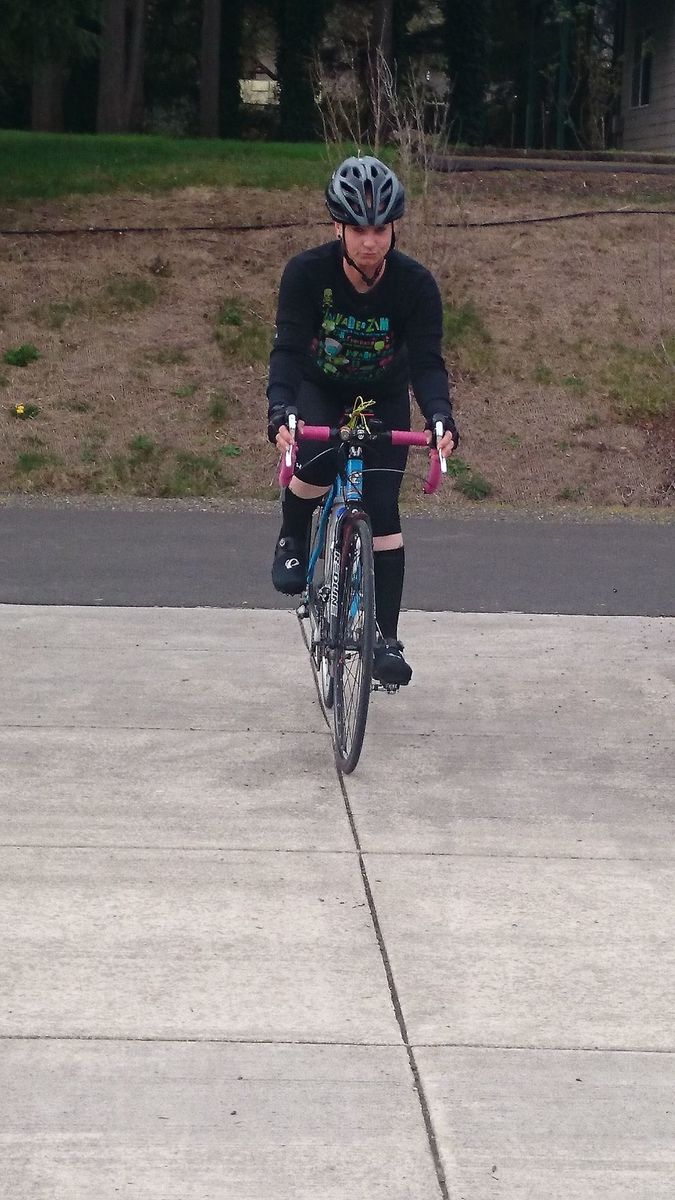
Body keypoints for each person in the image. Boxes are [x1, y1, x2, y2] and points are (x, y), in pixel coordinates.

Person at [266, 155, 458, 686]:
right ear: (338, 227)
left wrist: (440, 416)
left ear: (393, 228)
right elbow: (287, 350)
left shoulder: (416, 285)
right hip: (321, 387)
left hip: (383, 394)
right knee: (317, 459)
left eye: (380, 230)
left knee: (383, 507)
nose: (370, 242)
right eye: (358, 230)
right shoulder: (307, 273)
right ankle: (292, 537)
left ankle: (385, 640)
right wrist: (280, 409)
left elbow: (427, 364)